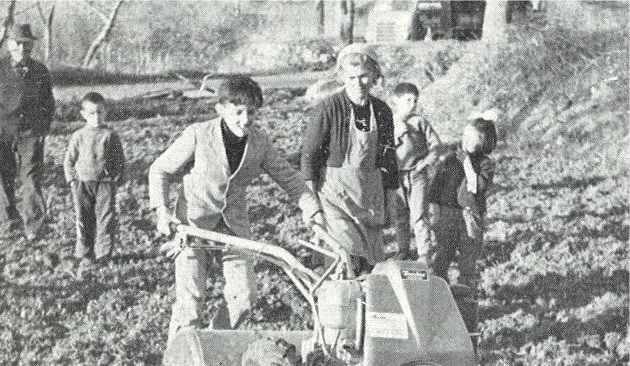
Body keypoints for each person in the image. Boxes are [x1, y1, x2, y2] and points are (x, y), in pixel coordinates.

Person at [149, 75, 321, 339]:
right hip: (193, 224)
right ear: (220, 109)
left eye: (251, 112)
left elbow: (289, 179)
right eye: (238, 112)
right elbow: (160, 170)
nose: (245, 119)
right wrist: (162, 212)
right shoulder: (198, 134)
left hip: (233, 225)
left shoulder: (260, 142)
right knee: (191, 302)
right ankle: (179, 357)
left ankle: (213, 341)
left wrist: (314, 210)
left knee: (245, 297)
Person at [301, 43, 398, 275]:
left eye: (364, 77)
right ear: (342, 77)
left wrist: (391, 201)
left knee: (371, 269)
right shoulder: (328, 108)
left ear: (374, 76)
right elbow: (309, 158)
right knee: (346, 261)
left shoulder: (382, 111)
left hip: (369, 198)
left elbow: (389, 158)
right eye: (352, 77)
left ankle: (365, 311)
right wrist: (312, 207)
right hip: (335, 198)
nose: (358, 84)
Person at [0, 23, 55, 240]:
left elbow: (48, 102)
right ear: (9, 44)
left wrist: (43, 128)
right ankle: (10, 221)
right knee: (3, 177)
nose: (22, 48)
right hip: (1, 131)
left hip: (30, 132)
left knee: (31, 178)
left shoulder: (40, 71)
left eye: (27, 44)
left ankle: (34, 226)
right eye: (18, 43)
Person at [429, 116, 497, 293]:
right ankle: (437, 292)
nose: (465, 141)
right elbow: (436, 188)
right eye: (465, 136)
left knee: (468, 258)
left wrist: (467, 164)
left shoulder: (485, 164)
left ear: (483, 142)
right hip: (448, 213)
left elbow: (476, 187)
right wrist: (436, 214)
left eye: (472, 138)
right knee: (443, 254)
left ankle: (465, 294)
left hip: (470, 216)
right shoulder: (450, 160)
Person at [63, 92, 125, 270]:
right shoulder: (78, 136)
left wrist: (115, 178)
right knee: (83, 218)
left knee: (105, 218)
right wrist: (72, 180)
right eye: (91, 113)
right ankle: (84, 253)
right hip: (82, 184)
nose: (96, 117)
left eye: (99, 112)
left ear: (105, 112)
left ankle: (103, 254)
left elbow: (119, 159)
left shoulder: (110, 135)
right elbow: (69, 160)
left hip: (105, 184)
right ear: (83, 114)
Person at [390, 82, 441, 265]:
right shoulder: (388, 123)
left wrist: (425, 163)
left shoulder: (419, 122)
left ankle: (424, 254)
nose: (412, 104)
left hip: (417, 175)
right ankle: (403, 250)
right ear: (395, 101)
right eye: (408, 100)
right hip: (396, 176)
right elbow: (380, 150)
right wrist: (395, 136)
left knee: (419, 215)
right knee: (400, 215)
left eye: (415, 100)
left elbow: (436, 146)